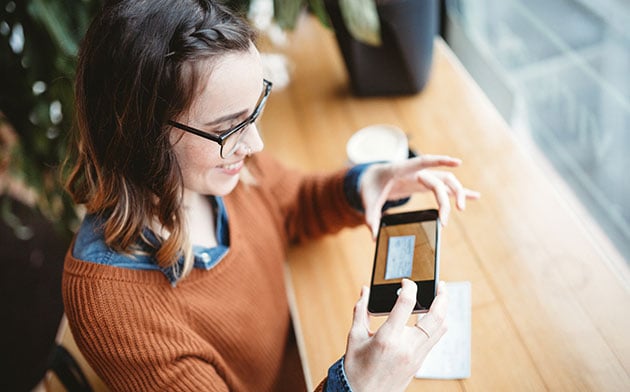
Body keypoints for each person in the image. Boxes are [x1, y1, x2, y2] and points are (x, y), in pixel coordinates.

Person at [62, 0, 480, 391]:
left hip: (297, 349)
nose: (256, 145)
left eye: (256, 109)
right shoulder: (112, 308)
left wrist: (361, 185)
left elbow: (292, 204)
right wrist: (357, 384)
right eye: (229, 127)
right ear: (140, 136)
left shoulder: (215, 169)